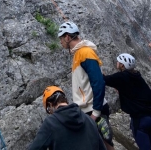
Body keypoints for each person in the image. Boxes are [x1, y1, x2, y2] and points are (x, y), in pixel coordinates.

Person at [58, 21, 114, 150]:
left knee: (105, 146)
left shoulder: (85, 52)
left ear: (67, 37)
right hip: (89, 108)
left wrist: (96, 112)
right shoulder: (79, 53)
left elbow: (98, 82)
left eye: (61, 38)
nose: (61, 42)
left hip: (93, 109)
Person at [28, 85, 106, 150]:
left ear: (50, 105)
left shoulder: (51, 123)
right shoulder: (89, 119)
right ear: (66, 100)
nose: (51, 113)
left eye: (49, 111)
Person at [104, 53, 151, 150]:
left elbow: (104, 80)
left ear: (122, 65)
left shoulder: (122, 77)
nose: (117, 62)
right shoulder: (138, 77)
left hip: (139, 120)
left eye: (118, 61)